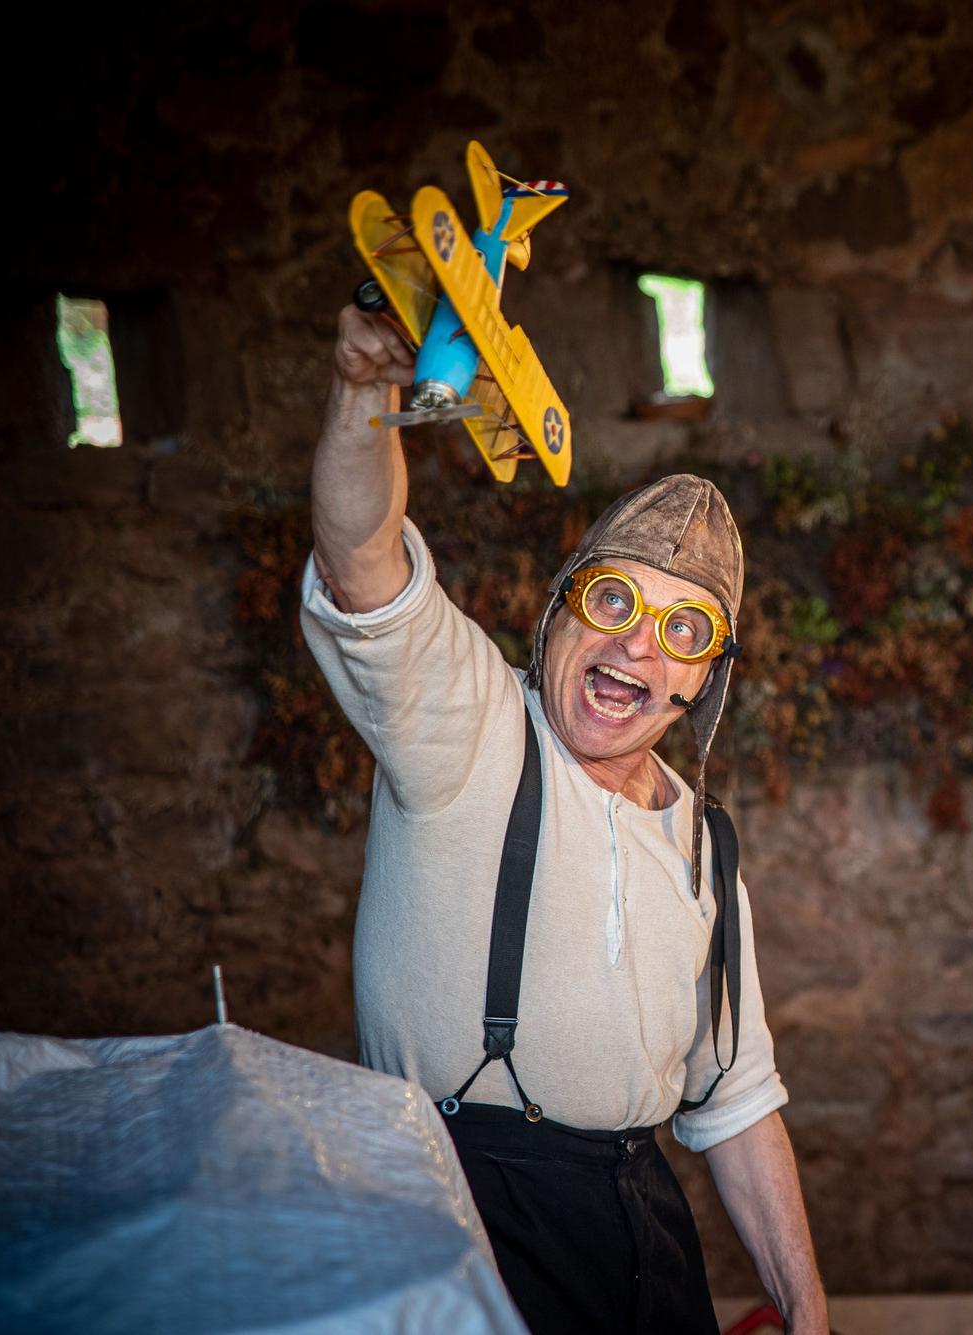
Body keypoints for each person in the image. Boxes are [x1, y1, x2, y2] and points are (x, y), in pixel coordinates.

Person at [300, 304, 827, 1334]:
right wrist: (365, 393)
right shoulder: (468, 731)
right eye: (613, 603)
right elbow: (363, 566)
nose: (637, 648)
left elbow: (734, 1101)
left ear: (703, 684)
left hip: (640, 1232)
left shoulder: (702, 847)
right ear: (558, 614)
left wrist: (806, 1315)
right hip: (464, 1221)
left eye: (682, 630)